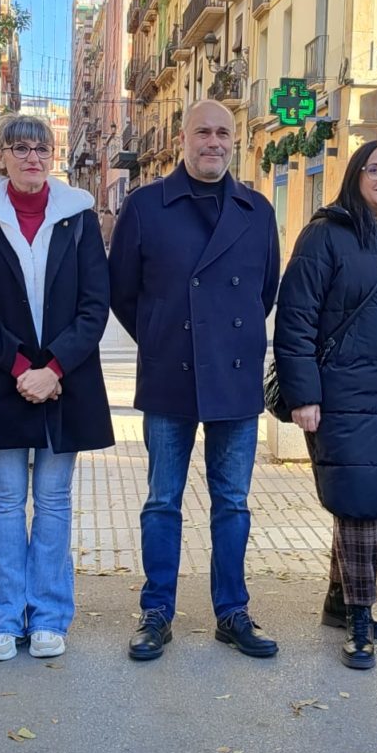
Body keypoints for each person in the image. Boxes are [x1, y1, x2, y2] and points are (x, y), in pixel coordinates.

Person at [109, 99, 280, 661]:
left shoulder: (257, 209)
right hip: (170, 374)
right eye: (203, 131)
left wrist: (227, 342)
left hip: (234, 378)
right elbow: (122, 293)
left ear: (235, 141)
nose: (214, 141)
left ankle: (232, 612)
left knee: (233, 502)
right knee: (162, 500)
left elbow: (264, 293)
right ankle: (156, 611)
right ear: (183, 138)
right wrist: (163, 337)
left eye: (223, 133)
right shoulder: (145, 206)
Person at [0, 113, 112, 662]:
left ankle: (47, 615)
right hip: (6, 380)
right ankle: (0, 616)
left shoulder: (78, 217)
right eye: (19, 147)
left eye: (40, 148)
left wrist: (55, 369)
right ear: (0, 155)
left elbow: (96, 306)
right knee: (3, 502)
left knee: (51, 502)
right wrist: (22, 367)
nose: (31, 157)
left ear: (54, 156)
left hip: (62, 383)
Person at [273, 140, 377, 669]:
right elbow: (295, 320)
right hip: (340, 395)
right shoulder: (325, 235)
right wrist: (304, 395)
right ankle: (360, 617)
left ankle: (340, 601)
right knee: (359, 505)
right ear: (356, 175)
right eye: (375, 169)